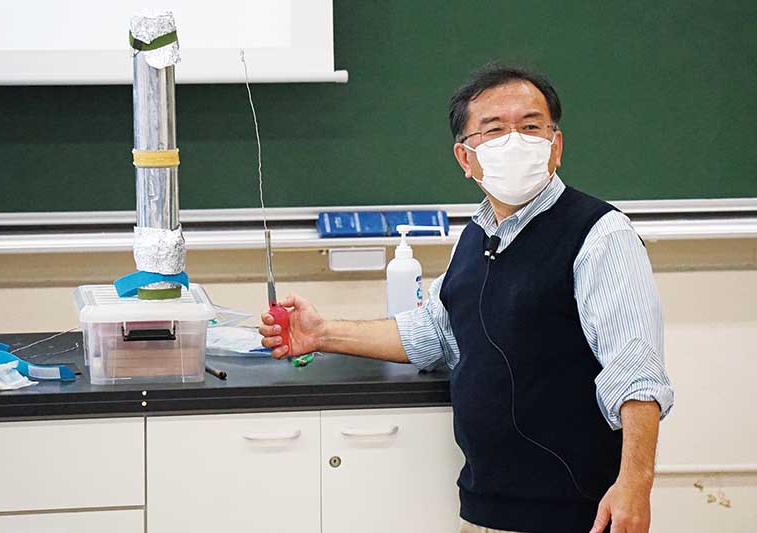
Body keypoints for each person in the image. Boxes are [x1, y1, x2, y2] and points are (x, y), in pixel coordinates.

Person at [259, 64, 674, 533]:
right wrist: (320, 333)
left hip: (573, 512)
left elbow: (636, 373)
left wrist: (635, 484)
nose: (515, 141)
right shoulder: (476, 236)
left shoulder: (600, 235)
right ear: (465, 157)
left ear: (555, 146)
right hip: (483, 506)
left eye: (531, 127)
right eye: (494, 130)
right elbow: (432, 333)